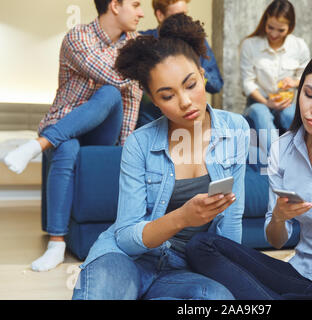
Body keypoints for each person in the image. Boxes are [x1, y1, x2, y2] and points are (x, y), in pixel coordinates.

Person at [186, 47, 312, 300]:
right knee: (202, 246)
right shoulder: (282, 148)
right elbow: (276, 241)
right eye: (309, 94)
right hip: (303, 275)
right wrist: (278, 217)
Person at [72, 13, 250, 300]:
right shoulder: (139, 144)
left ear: (203, 76)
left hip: (186, 269)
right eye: (167, 96)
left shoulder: (235, 129)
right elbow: (126, 238)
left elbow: (232, 219)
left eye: (191, 85)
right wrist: (181, 218)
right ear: (153, 100)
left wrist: (230, 276)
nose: (185, 102)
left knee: (218, 298)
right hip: (128, 259)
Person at [3, 0, 145, 272]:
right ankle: (56, 244)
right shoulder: (77, 37)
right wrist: (137, 70)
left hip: (103, 133)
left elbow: (131, 100)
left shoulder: (134, 45)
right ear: (114, 5)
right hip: (63, 121)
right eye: (136, 4)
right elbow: (107, 73)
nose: (141, 13)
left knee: (111, 94)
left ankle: (37, 145)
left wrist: (124, 150)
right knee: (67, 148)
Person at [136, 0, 223, 127]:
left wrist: (192, 67)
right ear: (160, 15)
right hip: (151, 120)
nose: (183, 20)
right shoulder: (144, 42)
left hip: (191, 120)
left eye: (185, 14)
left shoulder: (197, 41)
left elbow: (216, 85)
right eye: (177, 15)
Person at [240, 0, 310, 156]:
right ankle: (277, 161)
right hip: (258, 102)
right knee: (261, 113)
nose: (274, 34)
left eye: (281, 30)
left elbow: (307, 79)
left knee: (291, 115)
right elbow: (247, 82)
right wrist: (266, 102)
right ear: (265, 21)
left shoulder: (299, 46)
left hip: (286, 103)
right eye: (270, 27)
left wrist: (295, 82)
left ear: (290, 27)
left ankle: (304, 158)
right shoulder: (250, 45)